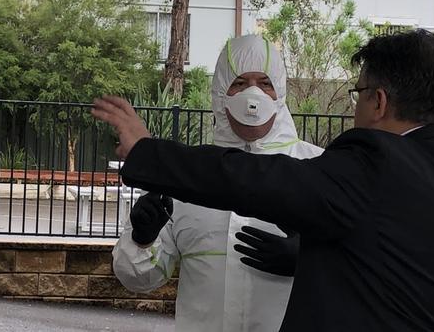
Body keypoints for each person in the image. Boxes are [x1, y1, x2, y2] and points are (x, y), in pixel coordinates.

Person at [93, 29, 434, 332]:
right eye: (239, 82)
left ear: (378, 102)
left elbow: (254, 180)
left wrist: (147, 151)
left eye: (358, 94)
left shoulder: (364, 165)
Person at [111, 35, 323, 331]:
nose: (253, 94)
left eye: (265, 83)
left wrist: (314, 261)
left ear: (281, 92)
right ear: (220, 92)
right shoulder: (184, 178)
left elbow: (368, 272)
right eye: (239, 83)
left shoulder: (318, 169)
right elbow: (140, 279)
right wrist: (142, 239)